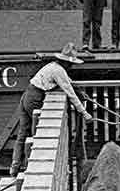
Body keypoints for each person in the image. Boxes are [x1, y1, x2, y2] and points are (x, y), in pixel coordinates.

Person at [9, 43, 93, 175]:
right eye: (70, 64)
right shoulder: (59, 71)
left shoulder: (52, 67)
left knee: (23, 133)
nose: (71, 66)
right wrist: (85, 113)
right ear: (65, 62)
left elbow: (68, 84)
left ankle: (15, 166)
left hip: (27, 94)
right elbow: (69, 92)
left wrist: (80, 92)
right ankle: (28, 167)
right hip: (35, 98)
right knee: (36, 132)